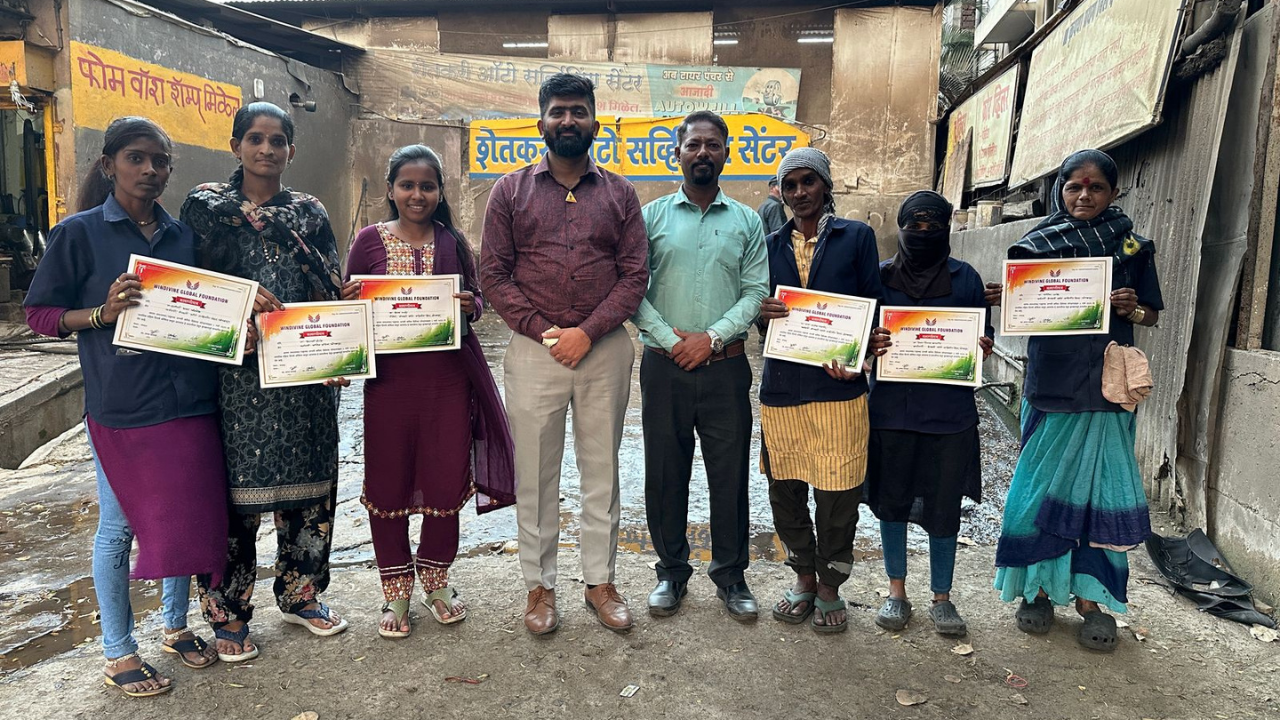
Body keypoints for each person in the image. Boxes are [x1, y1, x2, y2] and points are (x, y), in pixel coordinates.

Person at [24, 117, 225, 696]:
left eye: (160, 161)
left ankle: (176, 627)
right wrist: (101, 314)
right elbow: (39, 315)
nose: (150, 170)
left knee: (181, 518)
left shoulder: (182, 237)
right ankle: (118, 651)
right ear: (109, 164)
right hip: (122, 404)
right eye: (137, 158)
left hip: (189, 399)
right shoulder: (79, 233)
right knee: (119, 527)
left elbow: (203, 311)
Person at [480, 73, 649, 635]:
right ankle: (539, 586)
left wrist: (588, 331)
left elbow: (634, 275)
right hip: (535, 350)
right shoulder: (510, 191)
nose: (568, 120)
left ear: (595, 123)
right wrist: (543, 329)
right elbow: (493, 273)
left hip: (604, 348)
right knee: (535, 474)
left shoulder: (620, 193)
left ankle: (600, 582)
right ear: (542, 123)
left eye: (578, 111)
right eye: (558, 111)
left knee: (602, 470)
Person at [183, 102, 350, 662]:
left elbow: (328, 281)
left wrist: (340, 347)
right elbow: (189, 285)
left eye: (277, 141)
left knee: (311, 487)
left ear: (291, 151)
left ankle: (301, 594)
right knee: (234, 498)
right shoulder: (207, 207)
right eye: (254, 138)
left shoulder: (309, 212)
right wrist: (240, 302)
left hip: (302, 369)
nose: (266, 149)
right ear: (235, 146)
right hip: (235, 376)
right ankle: (228, 612)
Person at [992, 149, 1163, 652]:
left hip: (1107, 387)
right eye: (1074, 187)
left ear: (1113, 192)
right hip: (1052, 385)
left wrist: (1135, 308)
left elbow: (1153, 313)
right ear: (1059, 191)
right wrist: (1006, 298)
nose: (1084, 196)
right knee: (1036, 491)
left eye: (1096, 187)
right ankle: (1038, 591)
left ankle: (1093, 600)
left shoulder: (1131, 247)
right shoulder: (1036, 246)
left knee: (1100, 493)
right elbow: (1022, 307)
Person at [344, 145, 516, 638]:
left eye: (427, 186)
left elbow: (478, 299)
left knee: (444, 478)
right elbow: (350, 306)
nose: (416, 195)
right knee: (388, 481)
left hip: (447, 382)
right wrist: (348, 299)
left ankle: (437, 582)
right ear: (390, 189)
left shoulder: (452, 241)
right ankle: (396, 592)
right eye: (407, 185)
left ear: (440, 192)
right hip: (389, 385)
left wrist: (469, 305)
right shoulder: (368, 242)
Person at [631, 111, 769, 621]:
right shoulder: (650, 217)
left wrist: (710, 339)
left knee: (728, 475)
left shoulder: (748, 221)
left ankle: (731, 576)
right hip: (664, 366)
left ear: (727, 153)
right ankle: (671, 571)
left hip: (725, 369)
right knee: (665, 472)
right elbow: (631, 288)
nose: (703, 152)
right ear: (678, 153)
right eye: (693, 144)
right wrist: (674, 342)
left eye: (713, 144)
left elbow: (756, 291)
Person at [758, 147, 889, 633]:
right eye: (790, 185)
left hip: (839, 389)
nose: (799, 193)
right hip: (783, 388)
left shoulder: (856, 237)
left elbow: (873, 304)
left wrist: (859, 360)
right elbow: (756, 310)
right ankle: (804, 577)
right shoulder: (768, 244)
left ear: (826, 185)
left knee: (839, 494)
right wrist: (760, 312)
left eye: (808, 181)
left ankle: (831, 584)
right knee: (785, 489)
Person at [864, 190, 994, 638]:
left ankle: (942, 597)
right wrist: (870, 345)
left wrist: (981, 346)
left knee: (944, 506)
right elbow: (861, 338)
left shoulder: (966, 278)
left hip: (948, 415)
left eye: (933, 226)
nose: (923, 234)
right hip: (891, 412)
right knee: (892, 503)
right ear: (900, 228)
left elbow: (982, 334)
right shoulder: (879, 277)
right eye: (914, 226)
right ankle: (896, 592)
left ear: (948, 229)